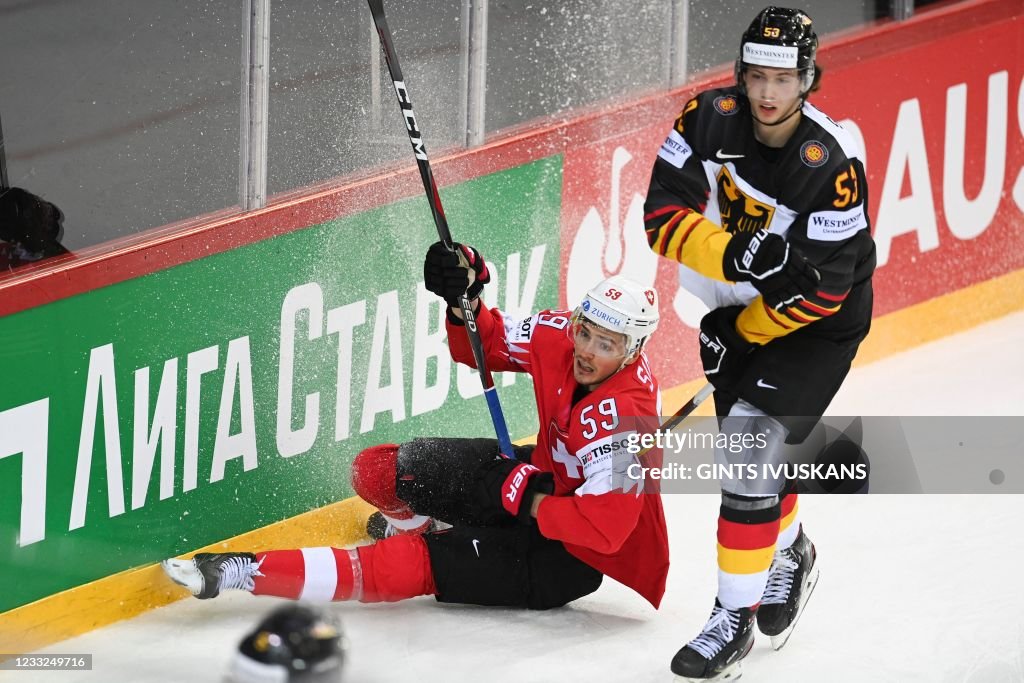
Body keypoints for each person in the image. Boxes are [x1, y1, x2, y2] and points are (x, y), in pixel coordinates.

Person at [163, 242, 670, 614]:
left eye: (606, 344)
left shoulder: (630, 423)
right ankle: (427, 528)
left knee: (404, 565)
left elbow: (604, 531)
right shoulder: (562, 334)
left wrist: (527, 500)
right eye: (585, 331)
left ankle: (245, 573)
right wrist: (464, 296)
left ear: (634, 350)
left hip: (562, 557)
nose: (586, 349)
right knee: (381, 471)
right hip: (530, 480)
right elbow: (483, 343)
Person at [642, 6, 876, 680]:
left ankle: (731, 621)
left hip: (817, 324)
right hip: (739, 301)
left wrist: (740, 336)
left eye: (784, 78)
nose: (768, 93)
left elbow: (823, 290)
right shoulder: (706, 116)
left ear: (809, 80)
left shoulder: (829, 164)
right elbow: (663, 216)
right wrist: (736, 258)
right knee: (752, 453)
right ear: (740, 74)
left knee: (747, 444)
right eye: (756, 76)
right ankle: (789, 550)